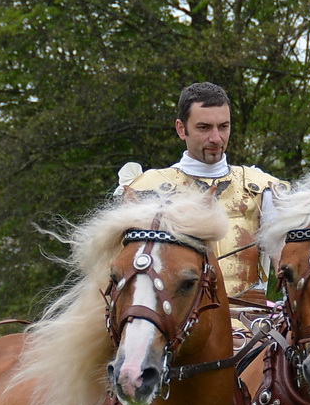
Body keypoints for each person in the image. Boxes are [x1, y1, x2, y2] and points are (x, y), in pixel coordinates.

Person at [115, 81, 286, 300]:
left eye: (223, 126)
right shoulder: (146, 189)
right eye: (204, 128)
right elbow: (123, 273)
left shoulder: (262, 187)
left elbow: (286, 264)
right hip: (172, 324)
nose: (216, 138)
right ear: (181, 129)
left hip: (251, 323)